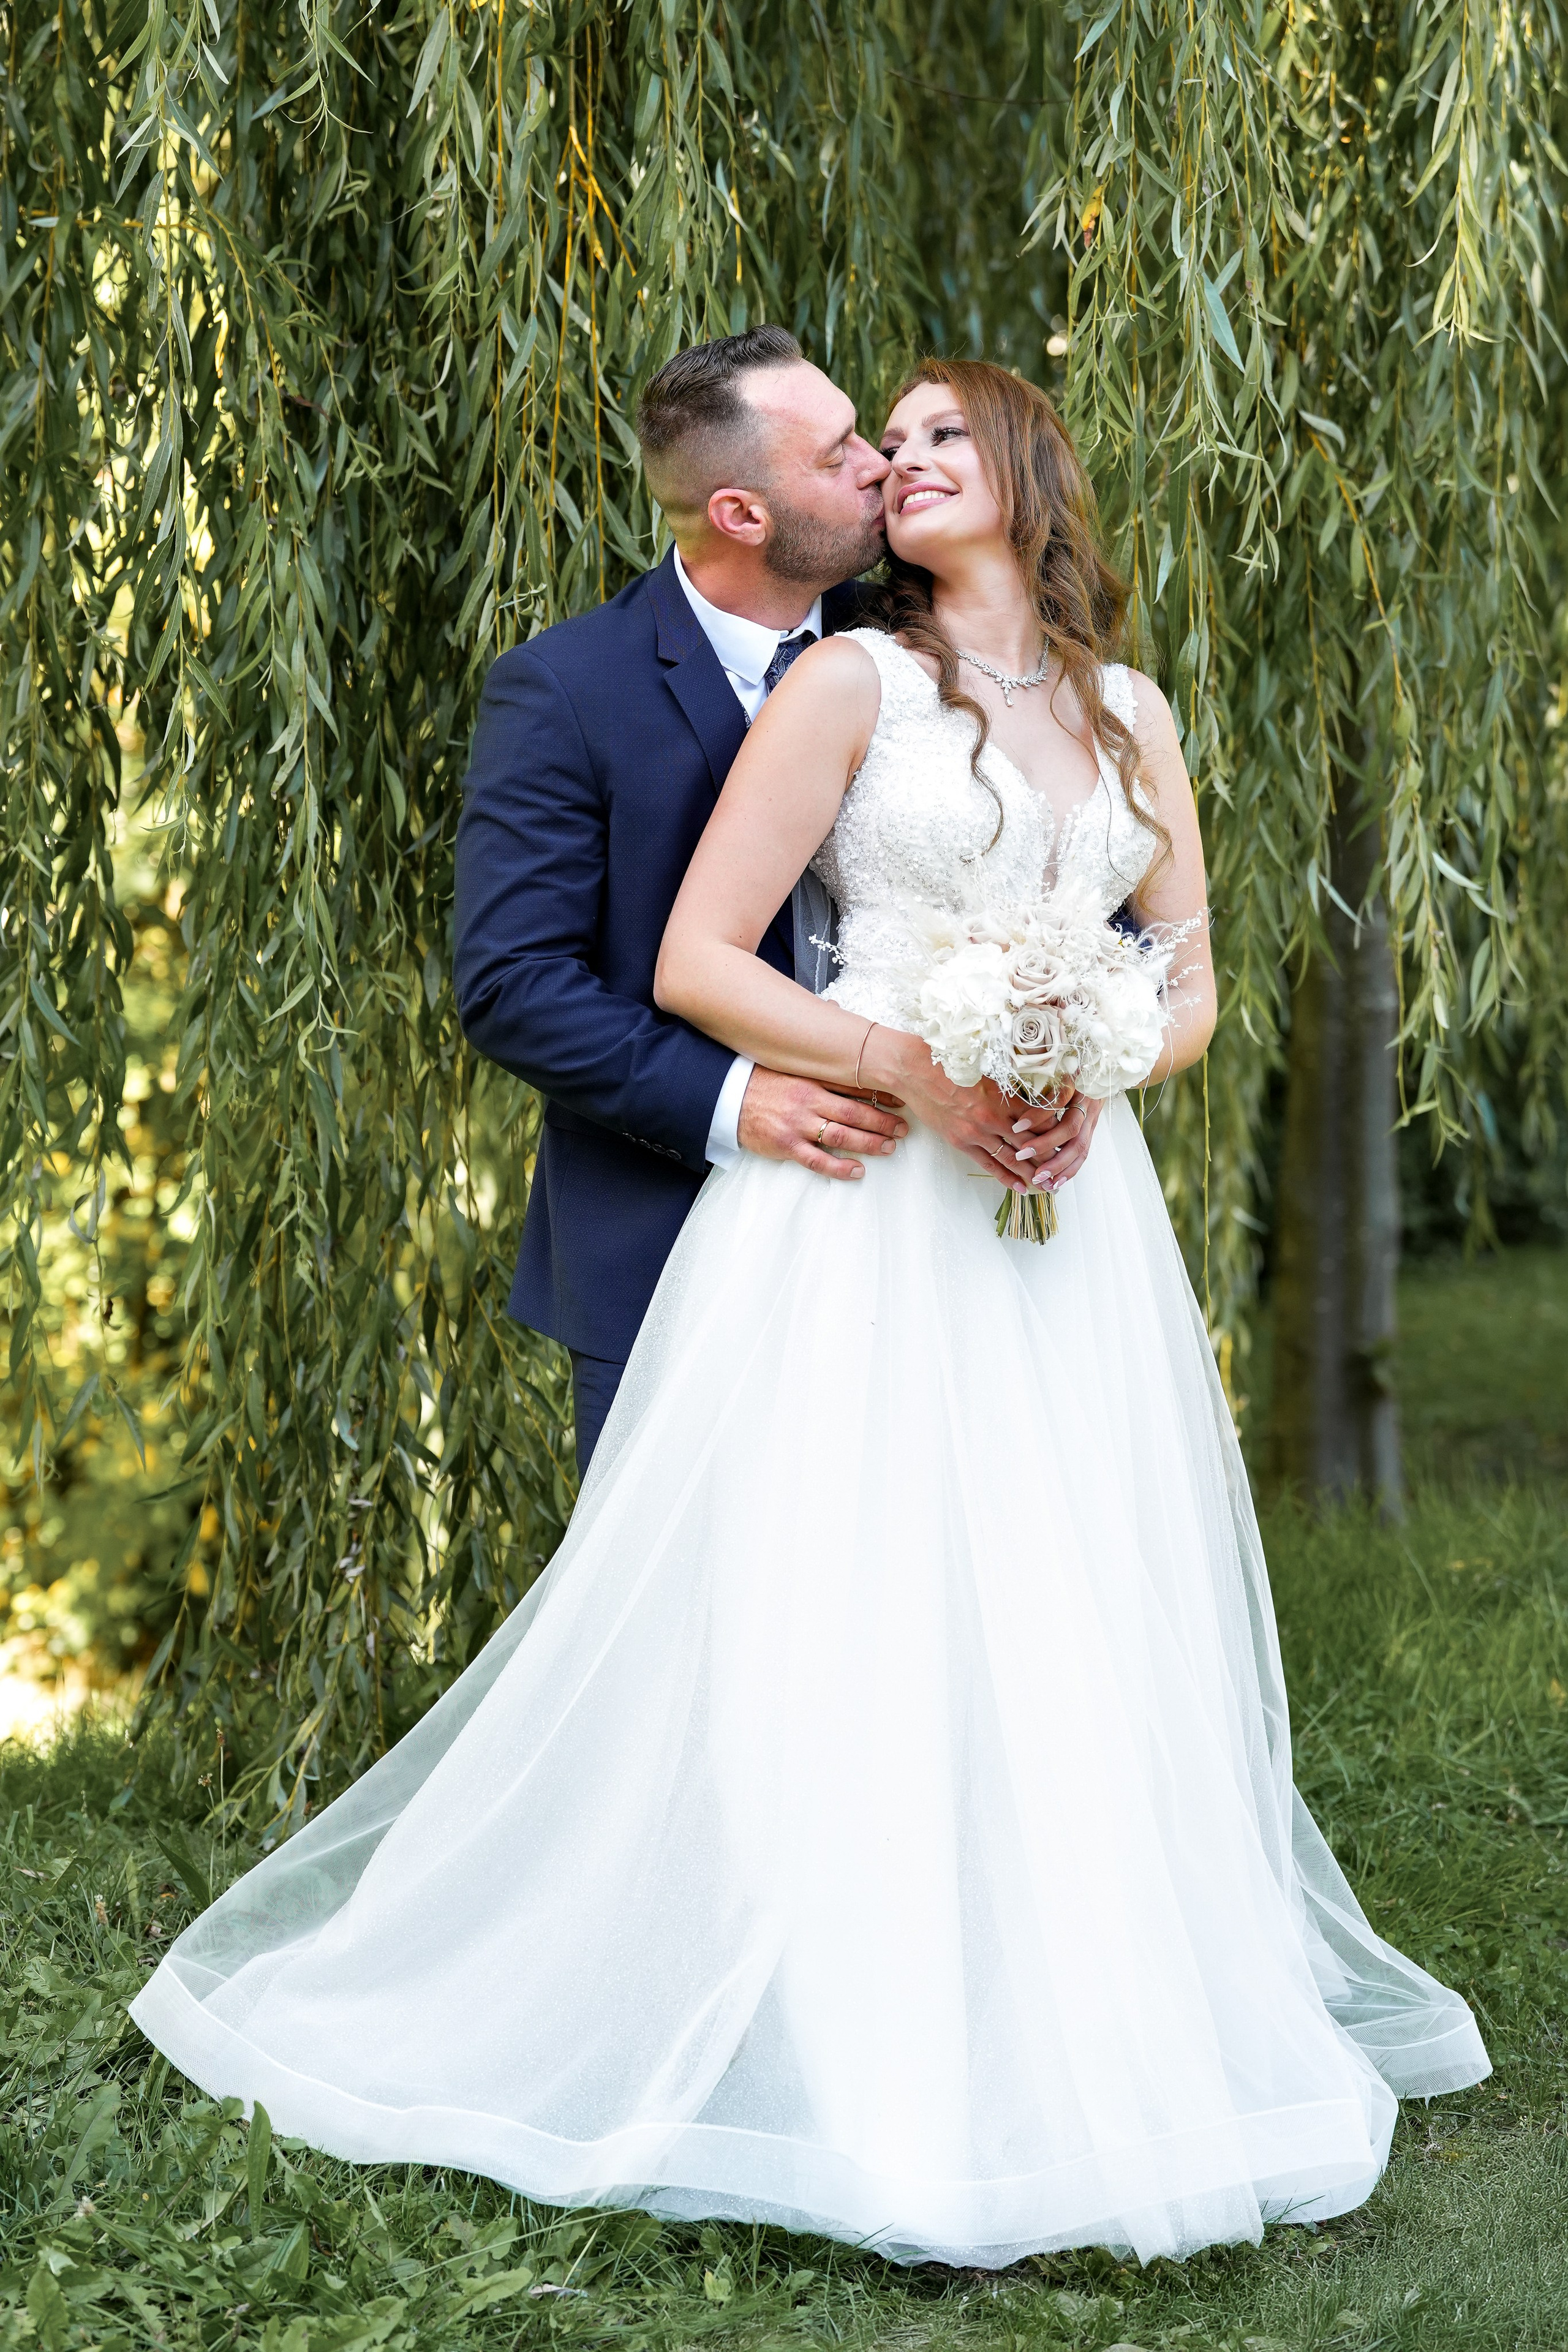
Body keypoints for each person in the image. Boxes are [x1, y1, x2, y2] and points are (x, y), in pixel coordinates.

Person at [130, 357, 1488, 2269]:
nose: (898, 460)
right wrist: (924, 1063)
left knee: (1059, 1596)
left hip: (1070, 1218)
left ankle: (1067, 2007)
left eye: (934, 434)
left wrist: (1095, 1067)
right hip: (851, 1209)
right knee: (818, 1608)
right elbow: (683, 959)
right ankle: (815, 2037)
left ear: (1026, 465)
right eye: (875, 442)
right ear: (747, 509)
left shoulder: (1134, 712)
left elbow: (1184, 977)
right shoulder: (852, 682)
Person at [452, 326, 1087, 1471]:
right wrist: (739, 1100)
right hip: (669, 1209)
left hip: (924, 1213)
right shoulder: (566, 690)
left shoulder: (918, 656)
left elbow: (1066, 864)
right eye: (842, 451)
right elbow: (513, 985)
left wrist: (1070, 1047)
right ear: (743, 513)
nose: (880, 467)